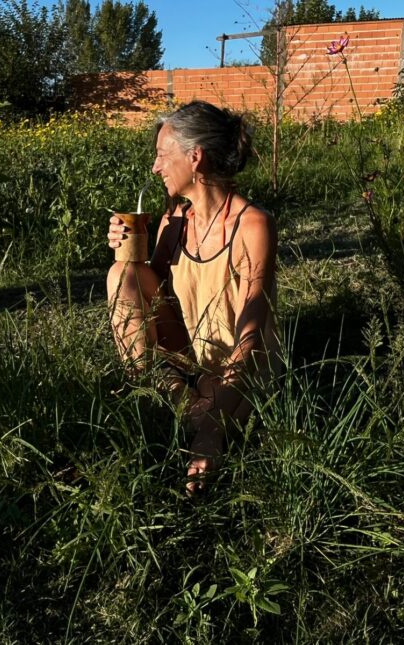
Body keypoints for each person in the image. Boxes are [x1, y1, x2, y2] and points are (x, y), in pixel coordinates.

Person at [106, 101, 278, 495]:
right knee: (123, 274)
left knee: (214, 418)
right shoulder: (173, 221)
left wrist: (212, 429)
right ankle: (158, 396)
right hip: (189, 368)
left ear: (195, 157)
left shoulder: (254, 224)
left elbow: (252, 336)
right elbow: (151, 299)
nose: (155, 167)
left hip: (240, 374)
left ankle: (198, 420)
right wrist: (126, 251)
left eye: (162, 156)